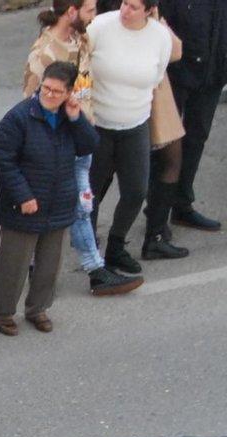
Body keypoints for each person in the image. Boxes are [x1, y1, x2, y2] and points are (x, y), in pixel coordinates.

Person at [25, 0, 145, 295]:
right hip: (58, 145)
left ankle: (92, 270)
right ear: (71, 12)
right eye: (90, 9)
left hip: (83, 137)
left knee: (82, 206)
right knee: (62, 208)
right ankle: (51, 269)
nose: (95, 15)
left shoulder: (81, 37)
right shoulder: (44, 53)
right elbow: (31, 104)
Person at [0, 62, 100, 335]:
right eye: (45, 88)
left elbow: (89, 146)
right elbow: (4, 160)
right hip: (24, 206)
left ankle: (38, 308)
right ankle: (3, 312)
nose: (48, 95)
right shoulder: (19, 117)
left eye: (56, 91)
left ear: (68, 93)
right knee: (13, 263)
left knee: (49, 263)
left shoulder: (68, 116)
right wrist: (23, 195)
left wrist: (76, 119)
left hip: (59, 203)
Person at [87, 0, 175, 274]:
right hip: (98, 124)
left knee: (136, 191)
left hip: (135, 124)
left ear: (149, 10)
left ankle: (116, 245)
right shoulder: (101, 26)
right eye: (125, 3)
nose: (126, 10)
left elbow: (157, 75)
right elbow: (80, 63)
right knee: (90, 192)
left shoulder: (160, 36)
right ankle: (89, 250)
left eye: (135, 7)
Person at [157, 0, 226, 232]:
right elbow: (160, 23)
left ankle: (182, 205)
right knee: (165, 143)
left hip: (214, 71)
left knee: (196, 139)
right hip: (177, 72)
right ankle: (156, 214)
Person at [141, 7, 189, 260]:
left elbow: (176, 49)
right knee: (109, 171)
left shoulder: (150, 18)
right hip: (132, 97)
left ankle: (156, 235)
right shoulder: (109, 23)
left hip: (157, 94)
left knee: (172, 159)